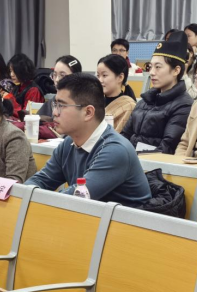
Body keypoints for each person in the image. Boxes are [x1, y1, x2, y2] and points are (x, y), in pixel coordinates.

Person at [25, 73, 151, 207]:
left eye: (61, 106)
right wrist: (26, 192)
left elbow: (75, 199)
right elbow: (41, 180)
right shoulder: (69, 143)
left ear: (88, 112)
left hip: (123, 220)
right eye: (55, 104)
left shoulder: (115, 150)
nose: (54, 112)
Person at [121, 31, 193, 154]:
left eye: (158, 67)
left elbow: (166, 148)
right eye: (150, 66)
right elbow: (124, 136)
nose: (151, 72)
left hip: (152, 164)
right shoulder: (144, 101)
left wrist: (131, 156)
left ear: (176, 70)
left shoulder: (183, 105)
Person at [97, 54, 136, 133]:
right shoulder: (95, 103)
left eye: (104, 75)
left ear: (120, 77)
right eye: (98, 75)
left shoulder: (129, 106)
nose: (100, 80)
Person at [37, 55, 82, 121]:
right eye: (55, 75)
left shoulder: (83, 103)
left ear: (76, 78)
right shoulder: (51, 102)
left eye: (62, 75)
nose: (57, 80)